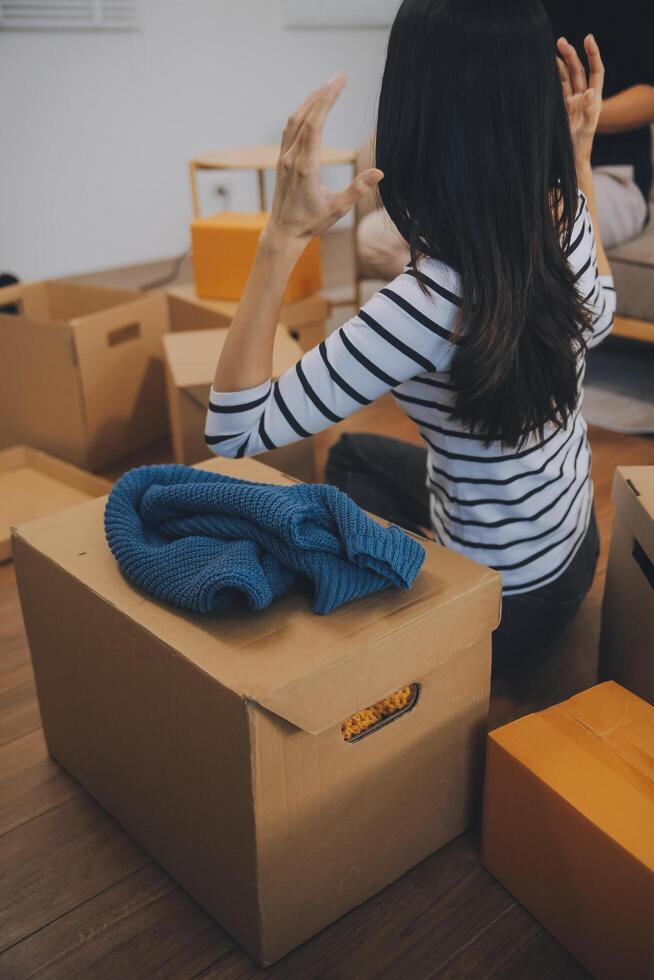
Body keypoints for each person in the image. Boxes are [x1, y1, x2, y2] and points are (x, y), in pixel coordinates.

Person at [205, 0, 615, 675]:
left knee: (336, 476)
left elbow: (233, 428)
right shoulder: (560, 210)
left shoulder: (424, 305)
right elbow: (601, 313)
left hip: (500, 614)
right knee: (354, 460)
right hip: (572, 557)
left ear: (414, 110)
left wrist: (280, 239)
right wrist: (578, 161)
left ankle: (420, 619)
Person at [357, 0, 654, 278]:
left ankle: (496, 322)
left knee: (506, 234)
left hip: (611, 176)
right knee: (375, 237)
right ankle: (478, 320)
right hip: (516, 174)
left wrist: (574, 119)